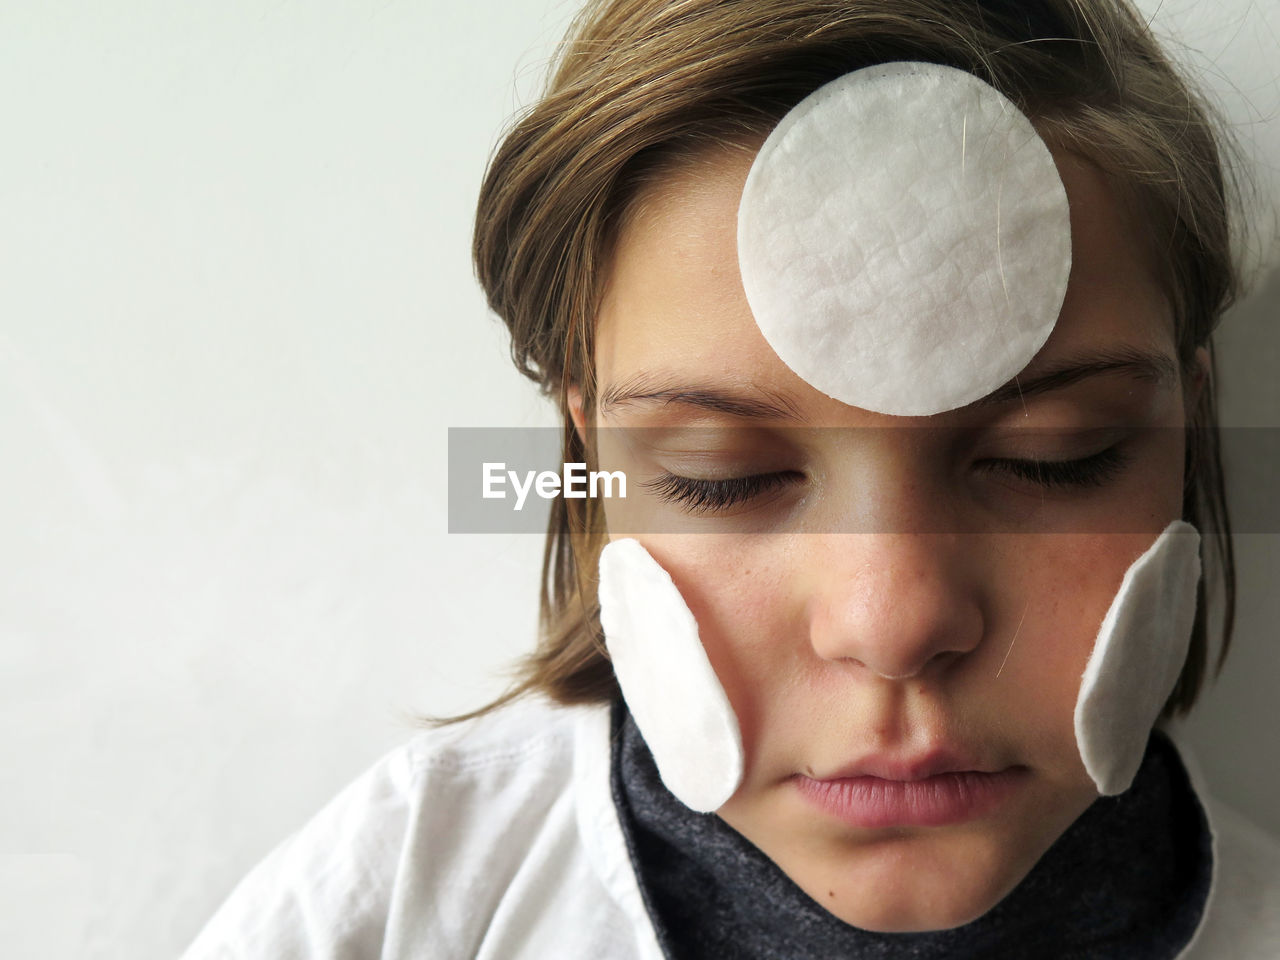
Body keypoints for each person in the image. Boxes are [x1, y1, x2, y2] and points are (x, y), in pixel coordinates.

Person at [181, 0, 1280, 956]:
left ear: (1184, 432)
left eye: (1055, 456)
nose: (890, 623)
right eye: (720, 477)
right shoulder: (403, 901)